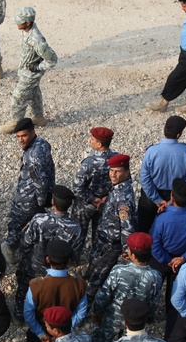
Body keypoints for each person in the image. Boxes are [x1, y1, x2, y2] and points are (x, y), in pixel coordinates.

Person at [21, 240, 89, 342]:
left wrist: (41, 333)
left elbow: (28, 314)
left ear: (47, 260)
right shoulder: (79, 285)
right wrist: (66, 329)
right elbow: (81, 311)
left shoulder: (36, 285)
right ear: (70, 261)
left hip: (40, 333)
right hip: (64, 333)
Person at [90, 233, 164, 342]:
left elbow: (104, 294)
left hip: (112, 316)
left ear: (132, 254)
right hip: (135, 320)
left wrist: (97, 311)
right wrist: (148, 317)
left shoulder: (118, 271)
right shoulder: (156, 276)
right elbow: (154, 302)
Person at [14, 184, 83, 317]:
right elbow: (75, 253)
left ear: (53, 203)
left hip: (34, 264)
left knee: (24, 286)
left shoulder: (39, 219)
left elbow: (26, 242)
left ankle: (19, 314)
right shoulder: (76, 228)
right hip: (58, 268)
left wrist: (23, 254)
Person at [2, 118, 55, 267]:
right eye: (18, 137)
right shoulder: (42, 144)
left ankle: (9, 247)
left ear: (33, 132)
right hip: (31, 194)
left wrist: (41, 201)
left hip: (28, 198)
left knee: (18, 224)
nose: (20, 140)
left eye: (24, 136)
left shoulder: (33, 155)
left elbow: (40, 181)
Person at [0, 6, 58, 134]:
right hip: (26, 70)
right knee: (34, 93)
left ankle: (15, 123)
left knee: (18, 97)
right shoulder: (25, 31)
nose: (17, 24)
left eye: (20, 21)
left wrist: (37, 67)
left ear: (28, 22)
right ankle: (38, 117)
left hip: (31, 74)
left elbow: (52, 59)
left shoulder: (36, 39)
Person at [149, 177, 186, 309]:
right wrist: (183, 257)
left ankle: (150, 312)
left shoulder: (162, 218)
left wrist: (168, 260)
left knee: (153, 288)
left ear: (172, 196)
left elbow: (155, 245)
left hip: (162, 259)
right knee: (176, 291)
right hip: (183, 261)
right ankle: (171, 313)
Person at [85, 154, 137, 299]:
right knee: (93, 271)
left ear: (126, 173)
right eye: (111, 170)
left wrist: (127, 249)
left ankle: (84, 309)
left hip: (109, 245)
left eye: (117, 171)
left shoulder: (123, 198)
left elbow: (127, 226)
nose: (113, 175)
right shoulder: (119, 188)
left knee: (95, 280)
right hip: (103, 240)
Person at [138, 116, 186, 232]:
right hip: (175, 197)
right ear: (178, 135)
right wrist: (173, 199)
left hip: (151, 195)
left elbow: (144, 178)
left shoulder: (151, 151)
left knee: (144, 227)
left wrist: (157, 200)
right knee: (169, 229)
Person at [72, 127, 117, 256]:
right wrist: (105, 198)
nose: (89, 140)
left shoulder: (88, 163)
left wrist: (92, 199)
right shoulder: (116, 161)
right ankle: (96, 257)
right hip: (106, 203)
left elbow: (77, 186)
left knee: (78, 231)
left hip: (85, 205)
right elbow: (121, 183)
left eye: (92, 138)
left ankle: (75, 258)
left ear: (99, 144)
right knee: (99, 232)